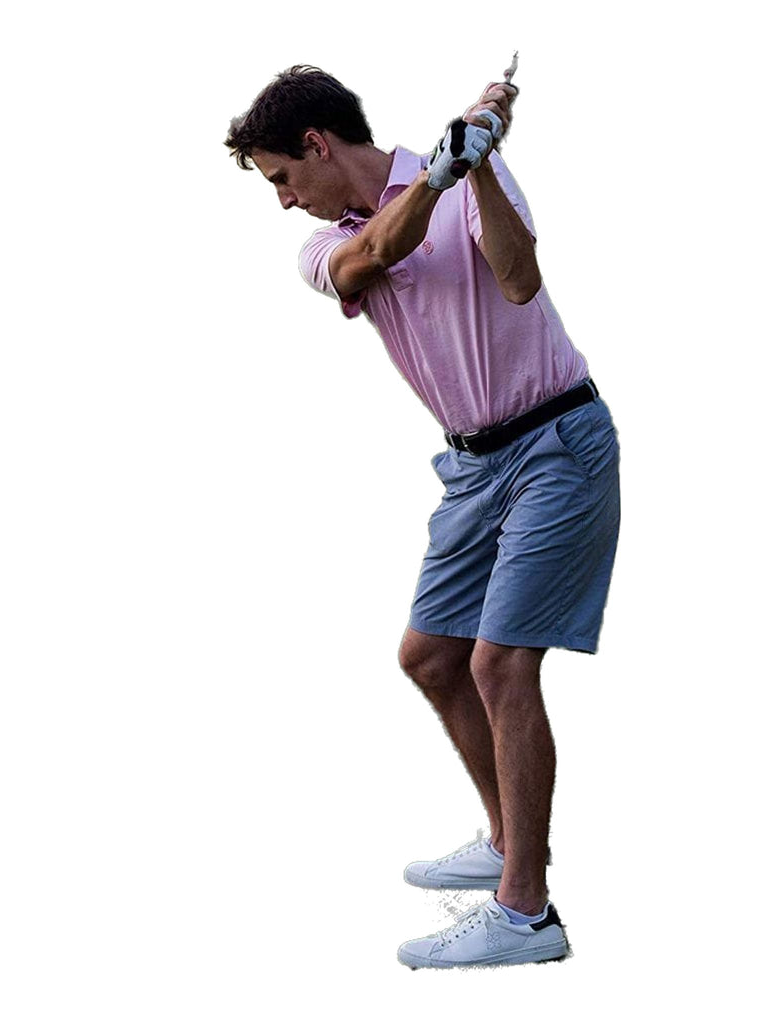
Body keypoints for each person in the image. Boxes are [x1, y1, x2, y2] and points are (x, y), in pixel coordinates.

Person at [225, 65, 620, 969]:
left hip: (557, 442)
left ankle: (526, 913)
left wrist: (476, 167)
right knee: (432, 656)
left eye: (282, 177)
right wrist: (442, 173)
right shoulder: (326, 245)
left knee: (500, 665)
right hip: (472, 468)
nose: (283, 201)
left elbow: (519, 281)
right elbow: (372, 257)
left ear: (317, 144)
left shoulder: (471, 169)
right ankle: (507, 838)